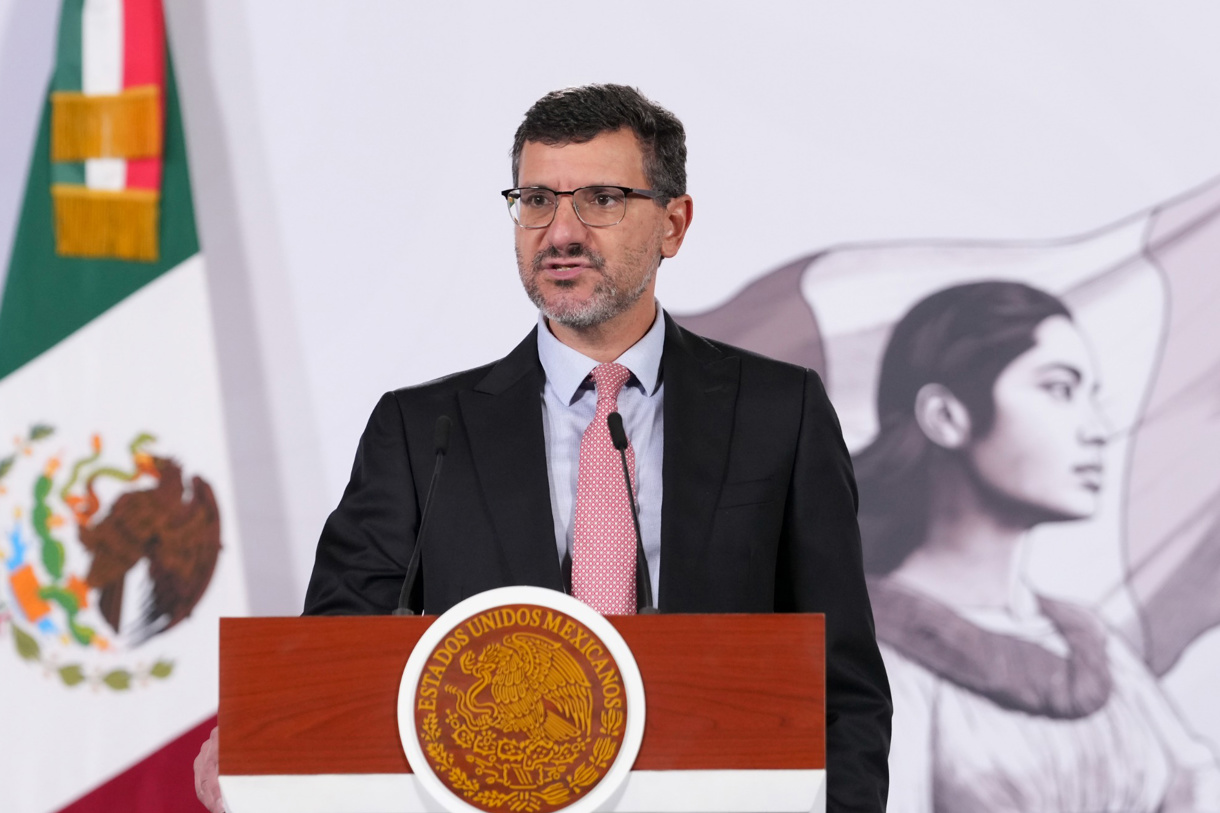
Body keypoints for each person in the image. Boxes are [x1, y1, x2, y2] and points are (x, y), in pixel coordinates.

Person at [195, 84, 891, 812]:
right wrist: (267, 737)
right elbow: (336, 666)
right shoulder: (421, 431)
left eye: (601, 198)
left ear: (673, 223)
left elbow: (844, 693)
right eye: (535, 201)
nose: (561, 231)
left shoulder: (780, 412)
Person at [855, 281, 1220, 812]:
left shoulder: (1091, 643)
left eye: (1093, 396)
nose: (1097, 429)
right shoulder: (852, 647)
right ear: (946, 416)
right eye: (1059, 389)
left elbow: (1196, 788)